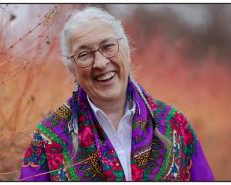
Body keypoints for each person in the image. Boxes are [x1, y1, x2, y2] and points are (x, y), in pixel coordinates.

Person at [20, 7, 214, 181]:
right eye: (84, 54)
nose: (101, 63)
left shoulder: (174, 125)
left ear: (126, 50)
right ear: (72, 68)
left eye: (108, 46)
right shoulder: (50, 137)